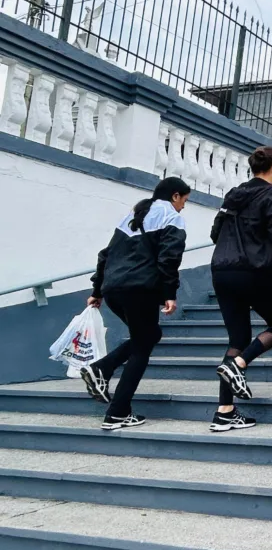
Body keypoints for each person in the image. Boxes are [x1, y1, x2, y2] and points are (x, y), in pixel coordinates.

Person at [208, 146, 272, 432]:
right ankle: (239, 363)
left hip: (221, 270)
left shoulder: (234, 194)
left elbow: (215, 233)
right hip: (251, 270)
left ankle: (225, 412)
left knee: (237, 337)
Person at [80, 177, 191, 430]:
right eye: (184, 200)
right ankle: (117, 411)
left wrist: (97, 290)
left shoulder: (134, 215)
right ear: (175, 196)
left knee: (149, 335)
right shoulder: (171, 217)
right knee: (142, 347)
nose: (184, 206)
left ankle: (102, 369)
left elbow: (105, 255)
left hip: (114, 290)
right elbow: (169, 258)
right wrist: (169, 293)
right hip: (140, 290)